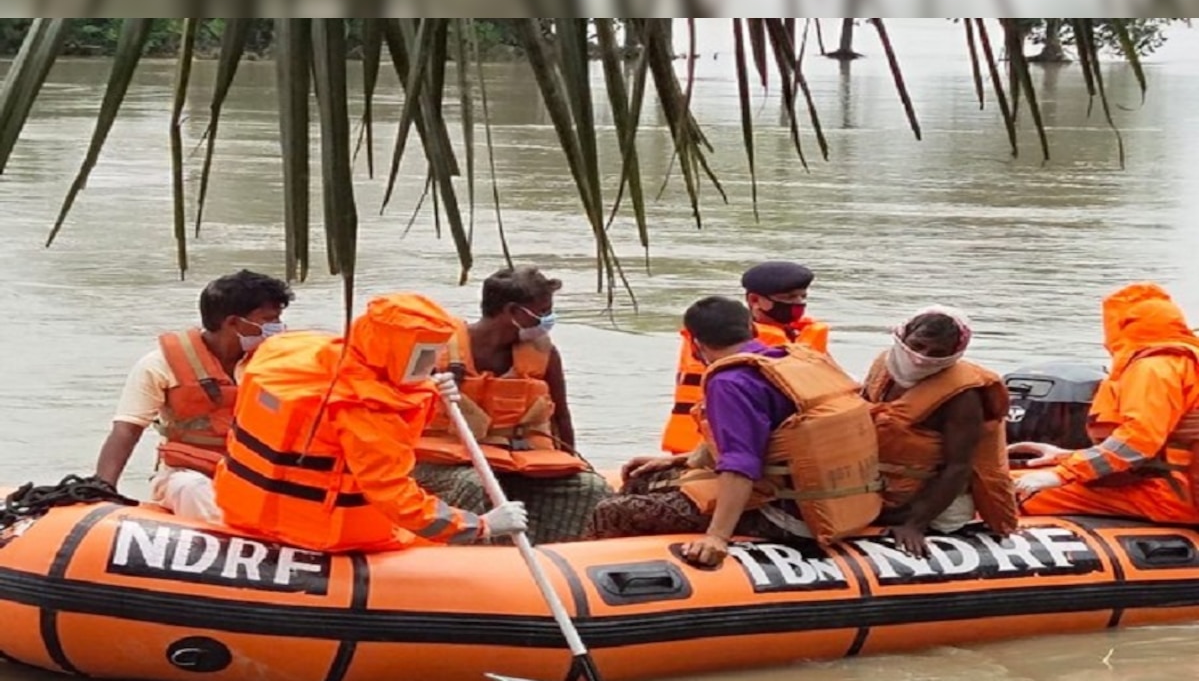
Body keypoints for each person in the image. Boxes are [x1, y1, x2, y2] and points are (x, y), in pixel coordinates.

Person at [213, 293, 527, 552]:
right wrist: (482, 525)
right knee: (434, 547)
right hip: (320, 535)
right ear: (393, 351)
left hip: (241, 508)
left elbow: (378, 376)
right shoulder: (365, 411)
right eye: (424, 355)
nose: (432, 363)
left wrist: (427, 387)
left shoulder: (294, 350)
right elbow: (396, 497)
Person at [585, 296, 880, 567]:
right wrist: (679, 460)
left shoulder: (731, 382)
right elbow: (779, 441)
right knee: (644, 478)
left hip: (786, 514)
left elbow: (741, 463)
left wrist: (718, 537)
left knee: (614, 512)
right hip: (828, 498)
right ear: (752, 328)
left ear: (695, 342)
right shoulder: (790, 361)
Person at [412, 266, 611, 544]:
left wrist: (572, 463)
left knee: (590, 487)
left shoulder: (544, 354)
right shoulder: (435, 351)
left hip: (514, 463)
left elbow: (562, 417)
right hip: (441, 465)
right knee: (474, 484)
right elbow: (397, 410)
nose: (547, 319)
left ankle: (554, 559)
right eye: (542, 311)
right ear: (513, 312)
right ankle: (477, 561)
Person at [95, 270, 294, 523]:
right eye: (269, 320)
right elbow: (127, 430)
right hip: (187, 472)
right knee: (191, 489)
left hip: (257, 473)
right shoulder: (159, 365)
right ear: (233, 322)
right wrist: (102, 490)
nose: (277, 328)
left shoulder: (281, 362)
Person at [1012, 283, 1199, 524]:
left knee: (1003, 491)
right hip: (1174, 486)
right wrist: (1066, 457)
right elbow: (1166, 445)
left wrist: (1063, 474)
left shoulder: (1153, 368)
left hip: (1166, 495)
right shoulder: (1187, 361)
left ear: (1121, 324)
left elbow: (1138, 442)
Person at [861, 306, 1017, 556]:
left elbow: (958, 466)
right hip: (884, 489)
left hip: (937, 499)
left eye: (937, 353)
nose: (921, 358)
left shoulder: (963, 396)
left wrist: (914, 525)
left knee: (947, 515)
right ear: (902, 336)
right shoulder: (884, 366)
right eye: (917, 346)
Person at [661, 260, 831, 455]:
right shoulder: (720, 335)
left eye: (802, 297)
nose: (798, 304)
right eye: (789, 297)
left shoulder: (801, 334)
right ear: (754, 300)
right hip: (708, 444)